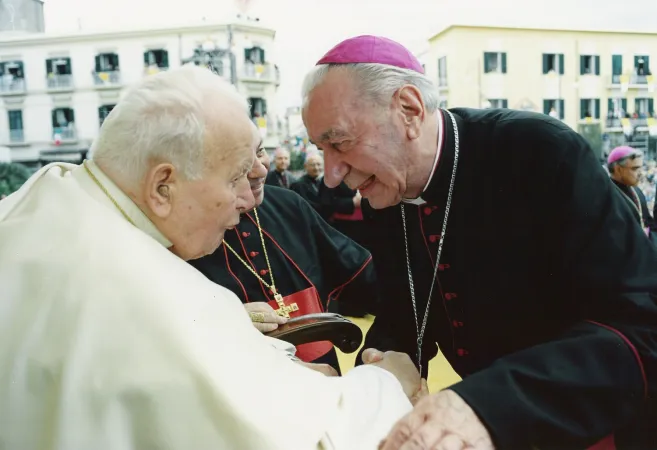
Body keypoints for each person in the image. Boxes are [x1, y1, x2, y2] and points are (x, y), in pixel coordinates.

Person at [0, 65, 422, 449]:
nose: (248, 196)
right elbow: (307, 436)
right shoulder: (144, 296)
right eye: (235, 175)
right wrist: (385, 386)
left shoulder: (46, 198)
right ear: (163, 186)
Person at [301, 35, 657, 449]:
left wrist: (489, 404)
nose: (330, 174)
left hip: (596, 426)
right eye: (320, 149)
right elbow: (407, 306)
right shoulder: (387, 192)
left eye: (340, 143)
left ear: (409, 110)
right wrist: (387, 358)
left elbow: (639, 323)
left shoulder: (538, 151)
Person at [190, 145, 376, 372]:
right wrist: (226, 320)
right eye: (240, 159)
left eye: (259, 151)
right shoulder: (183, 235)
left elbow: (361, 274)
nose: (260, 170)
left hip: (325, 375)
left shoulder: (289, 204)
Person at [607, 146, 655, 238]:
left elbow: (649, 223)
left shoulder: (637, 191)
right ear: (618, 169)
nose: (641, 173)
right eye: (635, 168)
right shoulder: (606, 196)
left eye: (641, 168)